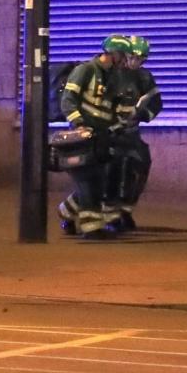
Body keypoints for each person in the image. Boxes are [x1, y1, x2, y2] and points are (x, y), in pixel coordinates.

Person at [58, 35, 131, 239]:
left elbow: (113, 109)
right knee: (88, 180)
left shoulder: (114, 77)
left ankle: (66, 211)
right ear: (112, 53)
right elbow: (68, 100)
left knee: (98, 179)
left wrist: (117, 127)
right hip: (83, 135)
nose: (124, 60)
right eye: (122, 55)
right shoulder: (85, 70)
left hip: (100, 136)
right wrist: (79, 124)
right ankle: (92, 229)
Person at [107, 35, 163, 231]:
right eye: (132, 58)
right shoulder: (109, 74)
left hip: (131, 134)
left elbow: (156, 103)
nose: (135, 63)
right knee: (110, 171)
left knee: (139, 166)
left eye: (140, 60)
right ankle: (109, 214)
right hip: (110, 134)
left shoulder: (144, 77)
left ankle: (125, 210)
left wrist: (141, 115)